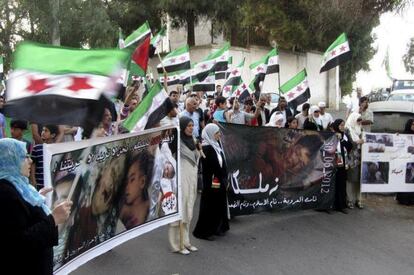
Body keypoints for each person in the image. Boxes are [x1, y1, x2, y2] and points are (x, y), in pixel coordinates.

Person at [0, 138, 72, 275]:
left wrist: (36, 198)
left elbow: (22, 215)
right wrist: (53, 219)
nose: (30, 160)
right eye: (24, 156)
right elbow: (18, 242)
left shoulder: (17, 184)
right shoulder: (5, 192)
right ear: (10, 159)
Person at [169, 117, 201, 255]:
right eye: (188, 125)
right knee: (180, 211)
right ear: (182, 127)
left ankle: (186, 242)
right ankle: (177, 244)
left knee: (188, 209)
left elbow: (197, 157)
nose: (191, 128)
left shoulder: (193, 140)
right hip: (181, 181)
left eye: (192, 125)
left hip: (191, 180)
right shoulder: (177, 140)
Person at [193, 124, 229, 240]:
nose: (219, 134)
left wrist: (224, 177)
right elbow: (210, 167)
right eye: (217, 132)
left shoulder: (216, 145)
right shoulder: (207, 148)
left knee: (218, 204)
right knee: (210, 206)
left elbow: (221, 163)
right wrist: (221, 176)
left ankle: (217, 228)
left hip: (219, 181)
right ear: (211, 134)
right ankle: (205, 232)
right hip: (211, 183)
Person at [120, 151, 154, 229]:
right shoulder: (122, 209)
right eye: (126, 181)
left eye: (132, 180)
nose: (127, 187)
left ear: (142, 181)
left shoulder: (150, 207)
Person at [331, 119, 353, 214]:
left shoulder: (345, 136)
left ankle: (341, 204)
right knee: (334, 183)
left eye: (343, 125)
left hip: (344, 163)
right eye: (341, 125)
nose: (342, 127)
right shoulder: (332, 135)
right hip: (334, 162)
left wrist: (342, 139)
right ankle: (333, 204)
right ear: (336, 126)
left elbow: (349, 146)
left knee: (342, 184)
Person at [30, 125, 60, 190]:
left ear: (53, 135)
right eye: (43, 130)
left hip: (52, 184)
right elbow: (33, 165)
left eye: (46, 131)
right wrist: (33, 180)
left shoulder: (57, 149)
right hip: (39, 183)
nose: (43, 132)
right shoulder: (37, 148)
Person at [345, 112, 365, 209]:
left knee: (360, 180)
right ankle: (349, 200)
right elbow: (348, 144)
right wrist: (357, 142)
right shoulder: (347, 130)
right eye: (358, 120)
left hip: (361, 158)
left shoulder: (360, 129)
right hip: (351, 159)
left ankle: (358, 199)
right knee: (351, 180)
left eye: (360, 120)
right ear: (353, 119)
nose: (360, 122)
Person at [397, 119, 414, 205]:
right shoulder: (404, 135)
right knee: (404, 180)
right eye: (412, 124)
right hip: (404, 162)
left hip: (412, 163)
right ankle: (403, 199)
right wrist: (397, 137)